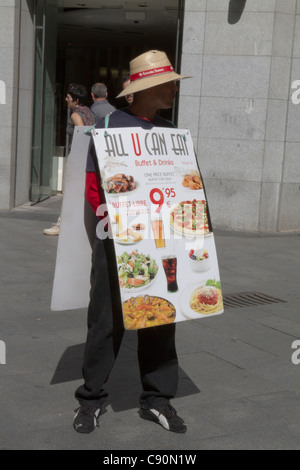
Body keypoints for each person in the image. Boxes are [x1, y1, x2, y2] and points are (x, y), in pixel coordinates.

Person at [73, 50, 190, 434]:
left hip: (163, 241)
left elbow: (186, 188)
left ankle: (157, 399)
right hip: (116, 241)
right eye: (167, 84)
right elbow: (94, 188)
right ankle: (90, 399)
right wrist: (121, 226)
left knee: (160, 318)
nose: (173, 89)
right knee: (106, 322)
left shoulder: (173, 134)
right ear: (143, 90)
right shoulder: (107, 129)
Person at [43, 83, 95, 236]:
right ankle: (65, 221)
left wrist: (75, 160)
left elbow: (81, 136)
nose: (66, 99)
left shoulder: (75, 114)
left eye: (69, 97)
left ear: (76, 100)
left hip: (79, 157)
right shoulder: (88, 112)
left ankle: (61, 224)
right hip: (88, 157)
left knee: (70, 191)